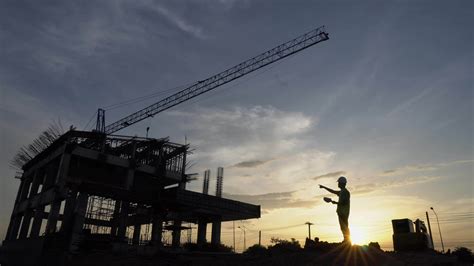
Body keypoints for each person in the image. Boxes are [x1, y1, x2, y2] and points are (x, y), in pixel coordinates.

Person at [319, 176, 351, 243]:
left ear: (342, 183)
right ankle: (346, 240)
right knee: (343, 227)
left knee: (344, 227)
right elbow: (333, 191)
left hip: (344, 213)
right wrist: (324, 187)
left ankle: (347, 241)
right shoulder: (342, 192)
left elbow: (344, 202)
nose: (338, 184)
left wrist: (335, 202)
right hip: (341, 212)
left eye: (339, 183)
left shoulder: (345, 192)